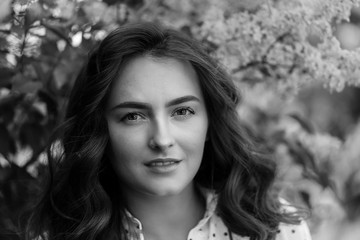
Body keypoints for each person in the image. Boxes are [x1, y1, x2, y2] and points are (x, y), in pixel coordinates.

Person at [26, 22, 312, 240]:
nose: (162, 139)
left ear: (210, 122)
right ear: (99, 131)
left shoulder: (278, 230)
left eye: (182, 112)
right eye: (133, 116)